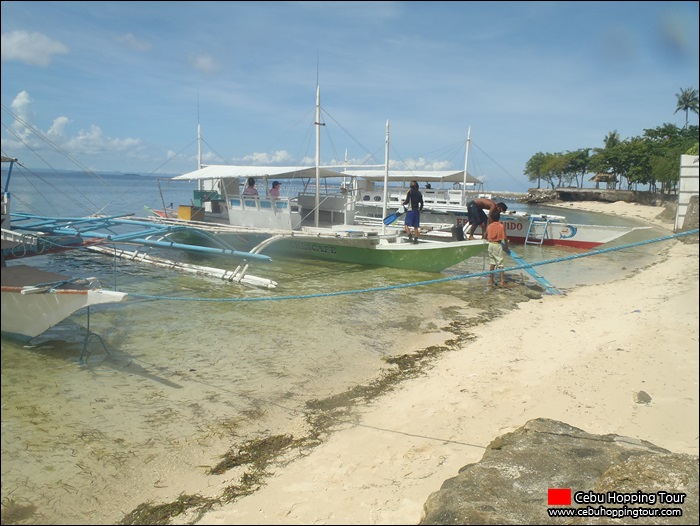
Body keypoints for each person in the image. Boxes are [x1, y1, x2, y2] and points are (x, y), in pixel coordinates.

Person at [487, 210, 510, 287]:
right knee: (500, 263)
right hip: (497, 244)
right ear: (499, 218)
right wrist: (507, 247)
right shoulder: (501, 226)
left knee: (492, 262)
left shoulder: (489, 226)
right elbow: (505, 237)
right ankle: (502, 281)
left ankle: (491, 280)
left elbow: (485, 235)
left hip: (490, 244)